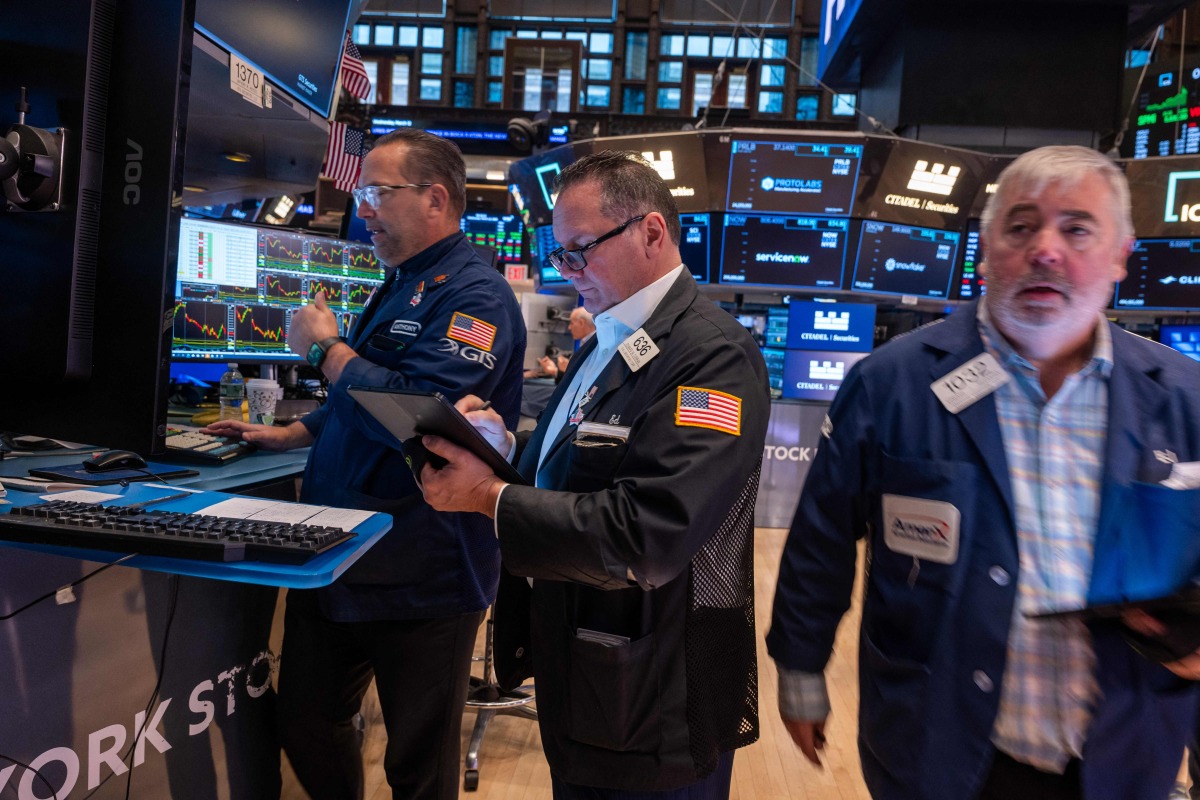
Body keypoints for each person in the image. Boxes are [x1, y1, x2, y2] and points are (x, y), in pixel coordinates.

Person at [766, 145, 1200, 800]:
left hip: (1125, 756)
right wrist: (800, 666)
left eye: (1077, 229)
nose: (1045, 249)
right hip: (935, 745)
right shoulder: (891, 384)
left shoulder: (1185, 397)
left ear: (1120, 256)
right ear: (985, 252)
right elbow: (821, 538)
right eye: (1020, 227)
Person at [416, 150, 770, 798]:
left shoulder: (712, 356)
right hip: (587, 672)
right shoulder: (608, 338)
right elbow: (583, 459)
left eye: (580, 250)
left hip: (657, 695)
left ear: (652, 232)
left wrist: (489, 496)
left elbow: (649, 533)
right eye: (560, 253)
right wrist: (505, 445)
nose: (566, 269)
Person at [202, 128, 526, 800]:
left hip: (424, 569)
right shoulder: (401, 282)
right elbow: (369, 396)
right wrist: (297, 432)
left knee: (416, 767)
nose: (364, 209)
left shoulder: (477, 296)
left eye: (378, 191)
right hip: (341, 555)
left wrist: (327, 352)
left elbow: (420, 414)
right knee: (306, 723)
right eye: (362, 193)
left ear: (436, 198)